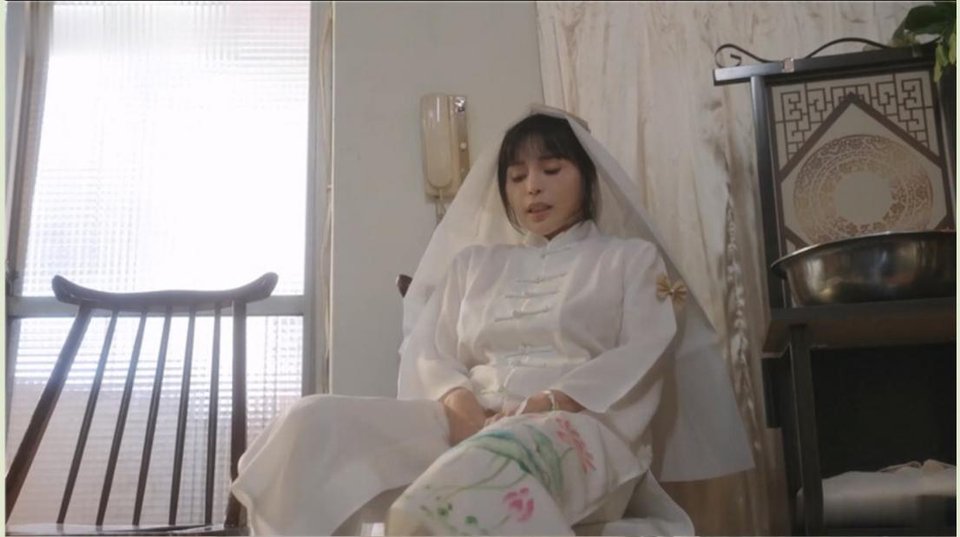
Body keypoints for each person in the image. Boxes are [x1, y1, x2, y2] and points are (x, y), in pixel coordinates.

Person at [230, 106, 753, 536]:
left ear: (587, 177)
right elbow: (429, 349)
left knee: (487, 464)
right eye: (517, 176)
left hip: (578, 431)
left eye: (551, 170)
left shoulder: (630, 260)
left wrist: (549, 401)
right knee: (312, 424)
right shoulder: (474, 265)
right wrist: (457, 400)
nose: (532, 188)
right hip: (469, 419)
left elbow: (644, 352)